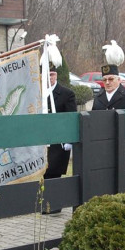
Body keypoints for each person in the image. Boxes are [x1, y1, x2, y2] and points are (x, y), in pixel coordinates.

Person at [92, 40, 125, 168]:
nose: (107, 82)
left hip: (124, 143)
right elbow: (93, 122)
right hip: (104, 144)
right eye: (104, 80)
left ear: (118, 79)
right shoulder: (98, 98)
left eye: (111, 79)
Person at [43, 64, 76, 213]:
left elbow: (71, 119)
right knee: (44, 172)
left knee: (54, 172)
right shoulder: (38, 92)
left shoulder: (66, 94)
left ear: (56, 75)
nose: (49, 78)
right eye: (46, 75)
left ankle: (55, 205)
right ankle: (46, 204)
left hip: (59, 141)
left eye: (52, 74)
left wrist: (69, 140)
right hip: (43, 140)